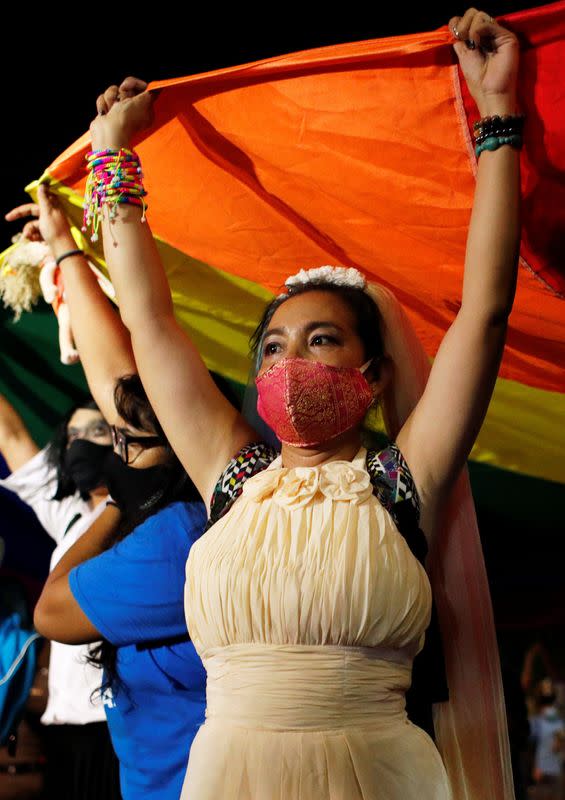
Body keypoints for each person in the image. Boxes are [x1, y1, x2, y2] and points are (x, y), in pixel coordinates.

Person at [77, 8, 519, 798]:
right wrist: (113, 156)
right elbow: (146, 317)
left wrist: (495, 121)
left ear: (374, 375)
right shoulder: (231, 472)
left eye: (321, 341)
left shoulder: (402, 479)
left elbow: (483, 311)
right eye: (274, 346)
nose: (288, 361)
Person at [15, 190, 235, 799]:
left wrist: (118, 503)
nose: (110, 447)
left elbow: (50, 613)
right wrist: (63, 248)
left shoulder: (177, 540)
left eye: (119, 439)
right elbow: (124, 380)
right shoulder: (214, 504)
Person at [0, 393, 121, 800]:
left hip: (117, 727)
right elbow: (12, 436)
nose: (82, 442)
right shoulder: (68, 515)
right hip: (63, 728)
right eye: (73, 435)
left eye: (97, 431)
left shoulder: (151, 514)